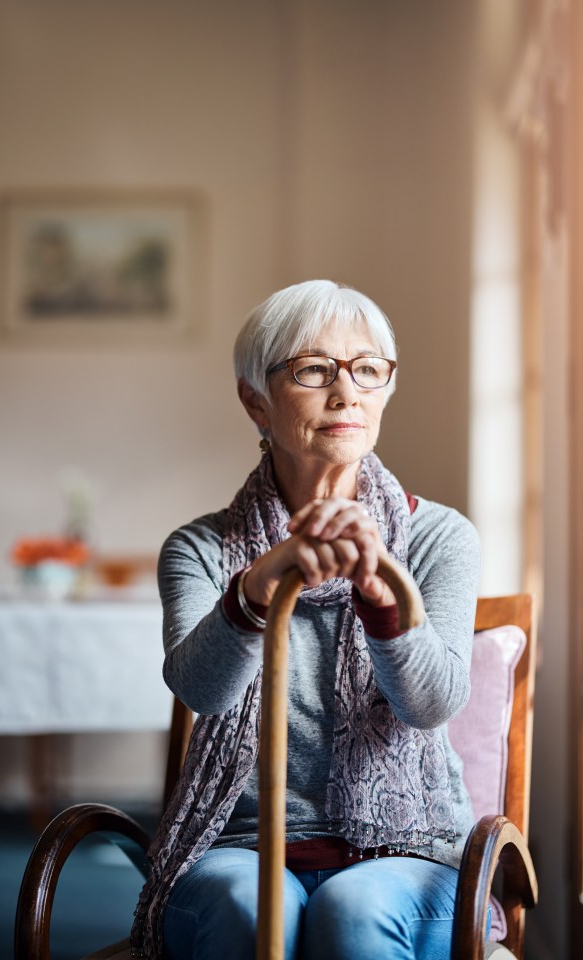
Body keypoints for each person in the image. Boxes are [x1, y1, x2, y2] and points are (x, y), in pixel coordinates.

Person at [132, 280, 480, 960]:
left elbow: (431, 702)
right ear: (254, 399)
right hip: (238, 841)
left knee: (355, 910)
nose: (347, 393)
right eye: (313, 369)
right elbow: (200, 689)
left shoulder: (441, 537)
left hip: (408, 846)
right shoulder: (198, 548)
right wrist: (261, 579)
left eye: (369, 369)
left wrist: (379, 588)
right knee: (246, 904)